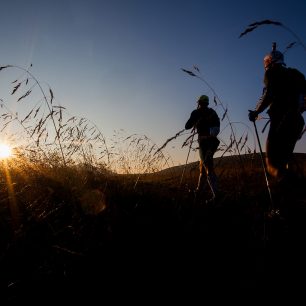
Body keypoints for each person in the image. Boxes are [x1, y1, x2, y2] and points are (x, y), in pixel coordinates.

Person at [248, 42, 305, 185]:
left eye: (266, 62)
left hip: (281, 120)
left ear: (270, 62)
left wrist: (256, 112)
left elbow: (269, 95)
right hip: (297, 122)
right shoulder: (296, 74)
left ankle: (292, 185)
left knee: (271, 164)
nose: (265, 65)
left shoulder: (271, 73)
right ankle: (292, 197)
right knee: (285, 159)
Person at [185, 94, 220, 198]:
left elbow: (187, 126)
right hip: (213, 142)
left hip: (204, 143)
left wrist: (195, 119)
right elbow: (217, 128)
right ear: (207, 103)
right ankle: (199, 191)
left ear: (199, 103)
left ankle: (216, 195)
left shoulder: (196, 112)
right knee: (203, 167)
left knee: (208, 167)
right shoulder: (213, 112)